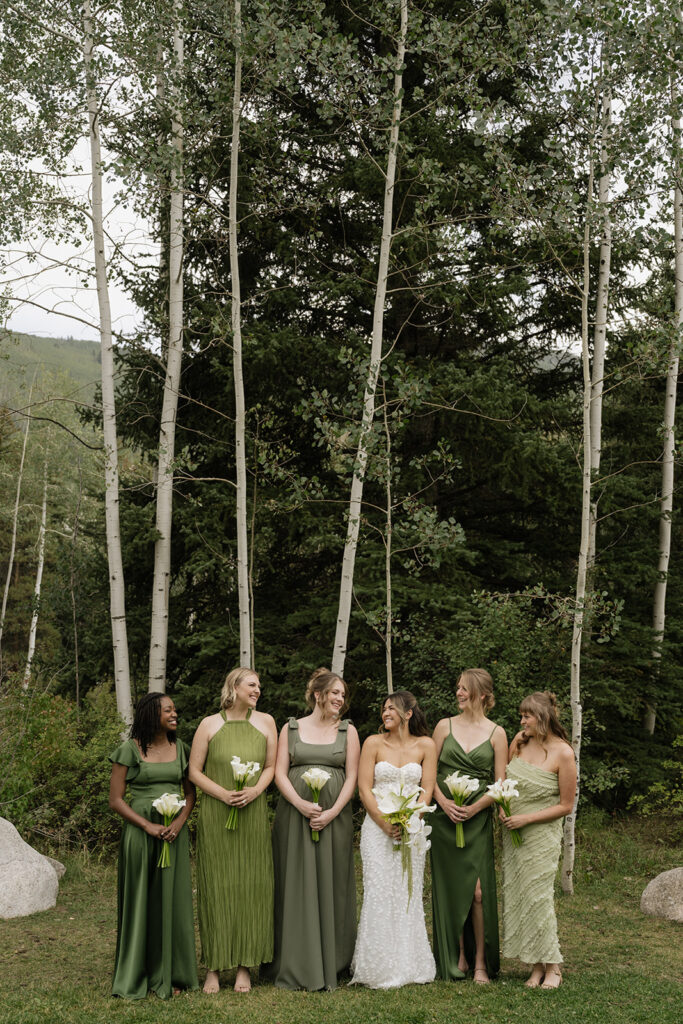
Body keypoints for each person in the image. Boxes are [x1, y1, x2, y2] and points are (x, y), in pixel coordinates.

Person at [266, 668, 360, 990]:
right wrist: (301, 804)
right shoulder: (290, 728)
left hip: (334, 820)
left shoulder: (348, 731)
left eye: (343, 695)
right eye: (335, 693)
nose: (340, 699)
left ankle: (334, 961)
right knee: (295, 883)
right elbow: (279, 773)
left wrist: (332, 812)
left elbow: (352, 777)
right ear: (318, 695)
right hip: (294, 819)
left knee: (332, 882)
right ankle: (293, 961)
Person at [189, 667, 277, 994]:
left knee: (251, 886)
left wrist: (254, 791)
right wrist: (223, 794)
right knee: (216, 886)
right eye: (252, 685)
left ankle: (244, 966)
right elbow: (194, 772)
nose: (258, 690)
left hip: (253, 814)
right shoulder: (209, 724)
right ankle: (213, 966)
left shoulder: (266, 722)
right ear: (234, 687)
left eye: (259, 686)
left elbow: (271, 766)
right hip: (216, 813)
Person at [108, 691, 198, 1000]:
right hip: (140, 831)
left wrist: (178, 823)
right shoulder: (129, 750)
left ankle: (171, 973)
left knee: (171, 901)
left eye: (175, 710)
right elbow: (116, 800)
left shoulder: (181, 749)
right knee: (141, 900)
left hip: (173, 832)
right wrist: (148, 826)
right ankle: (137, 972)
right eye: (168, 711)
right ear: (151, 715)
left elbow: (190, 795)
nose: (175, 715)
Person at [351, 690, 437, 989]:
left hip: (411, 830)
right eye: (383, 708)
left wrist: (411, 820)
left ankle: (410, 964)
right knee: (378, 891)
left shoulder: (426, 745)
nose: (385, 712)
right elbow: (364, 788)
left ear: (408, 713)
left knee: (407, 893)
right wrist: (384, 822)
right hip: (377, 830)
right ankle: (376, 967)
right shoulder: (373, 743)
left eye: (391, 708)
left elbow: (426, 789)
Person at [430, 668, 507, 984]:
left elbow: (500, 782)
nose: (459, 693)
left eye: (464, 689)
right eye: (458, 688)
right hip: (444, 818)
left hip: (477, 819)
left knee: (476, 892)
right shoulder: (443, 727)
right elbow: (429, 773)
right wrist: (443, 802)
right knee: (451, 887)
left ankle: (480, 962)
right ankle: (456, 955)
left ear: (482, 695)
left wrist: (476, 806)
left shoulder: (497, 733)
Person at [500, 691, 577, 989]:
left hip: (541, 834)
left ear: (543, 718)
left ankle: (554, 966)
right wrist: (505, 810)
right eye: (521, 715)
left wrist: (526, 818)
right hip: (513, 833)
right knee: (520, 895)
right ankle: (535, 965)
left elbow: (566, 805)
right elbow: (507, 783)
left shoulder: (564, 753)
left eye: (527, 716)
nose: (522, 721)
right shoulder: (519, 742)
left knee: (539, 896)